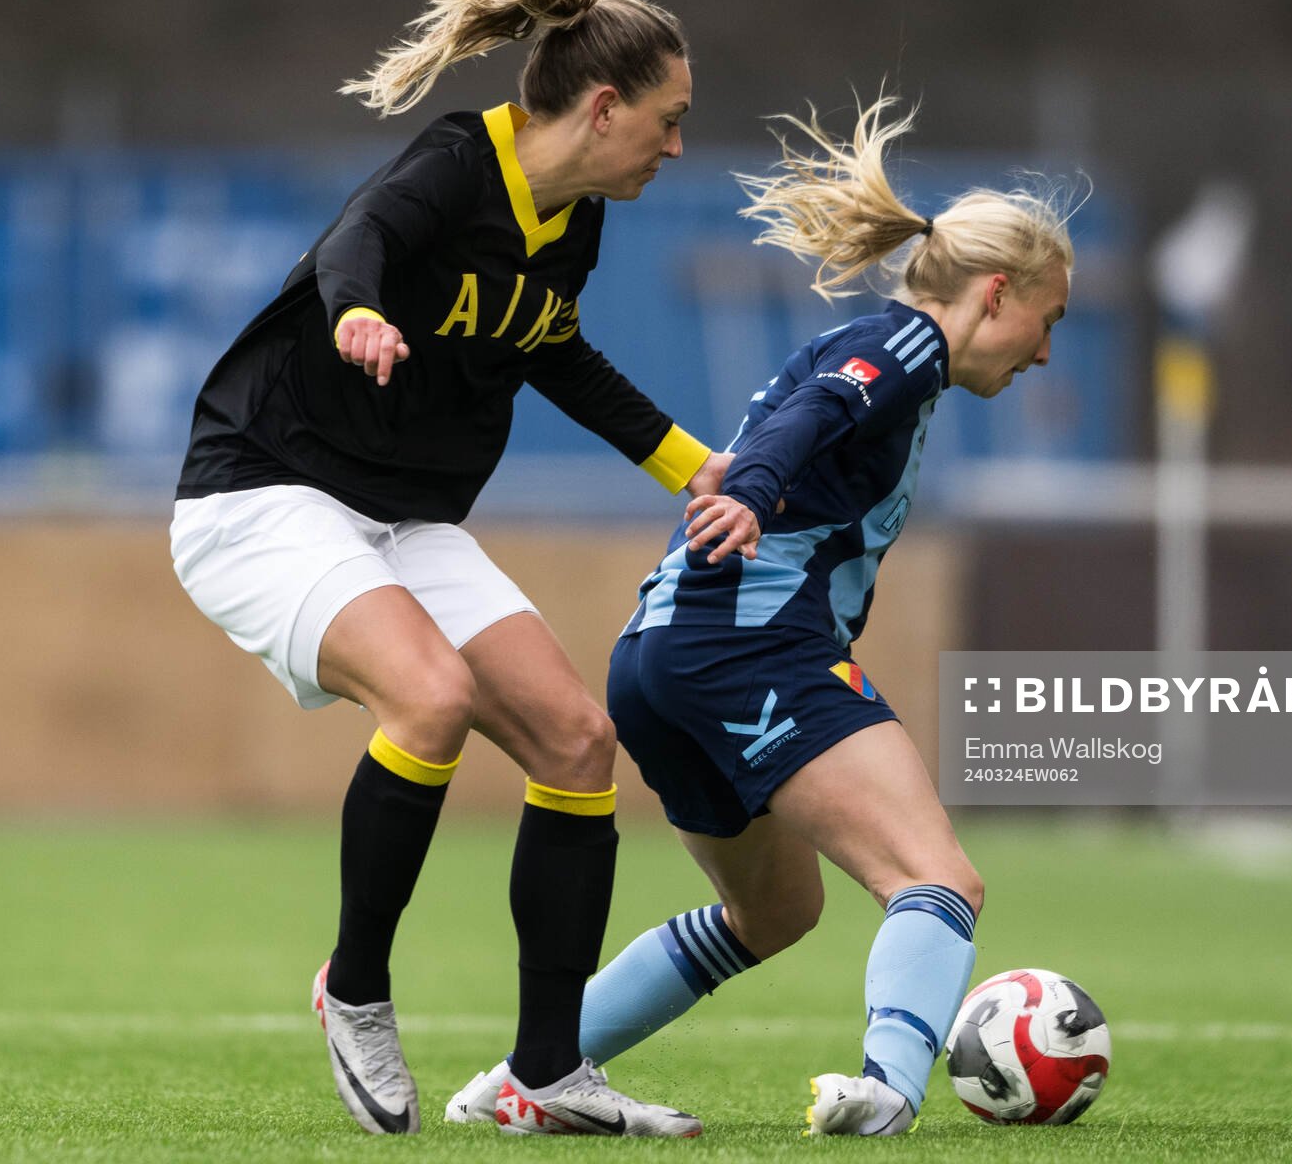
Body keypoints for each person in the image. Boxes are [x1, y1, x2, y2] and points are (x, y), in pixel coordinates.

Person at [169, 0, 741, 1139]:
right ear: (602, 107)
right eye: (669, 119)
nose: (677, 146)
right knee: (426, 698)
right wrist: (362, 310)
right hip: (261, 493)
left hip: (399, 517)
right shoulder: (453, 163)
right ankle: (356, 986)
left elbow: (557, 356)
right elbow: (355, 243)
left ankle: (547, 1070)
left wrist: (700, 470)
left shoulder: (573, 223)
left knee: (580, 741)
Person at [444, 92, 1073, 1134]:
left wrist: (756, 487)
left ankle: (525, 1074)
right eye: (1047, 322)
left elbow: (814, 413)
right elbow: (816, 419)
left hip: (658, 658)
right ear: (996, 294)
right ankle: (888, 1089)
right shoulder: (907, 346)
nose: (1046, 351)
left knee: (776, 910)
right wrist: (751, 490)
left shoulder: (869, 346)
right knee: (937, 876)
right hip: (748, 649)